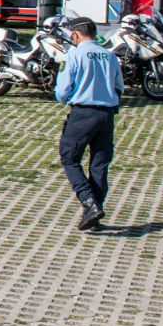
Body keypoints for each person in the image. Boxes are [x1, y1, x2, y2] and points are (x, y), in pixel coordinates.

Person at [54, 16, 124, 232]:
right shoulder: (110, 56)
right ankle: (95, 214)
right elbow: (119, 87)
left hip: (83, 114)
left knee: (69, 157)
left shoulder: (73, 55)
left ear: (75, 35)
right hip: (107, 115)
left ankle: (88, 201)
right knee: (100, 164)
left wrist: (64, 99)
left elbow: (63, 90)